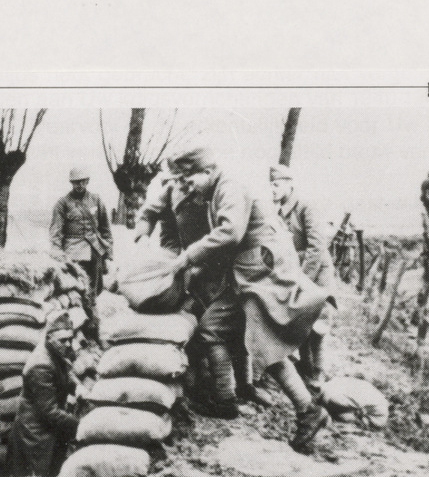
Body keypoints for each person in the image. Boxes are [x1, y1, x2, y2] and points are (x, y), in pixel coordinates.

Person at [136, 148, 331, 452]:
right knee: (219, 329)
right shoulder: (213, 188)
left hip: (261, 271)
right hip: (247, 271)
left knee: (257, 339)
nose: (188, 187)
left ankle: (307, 410)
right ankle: (227, 400)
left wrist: (187, 259)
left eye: (190, 180)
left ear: (207, 171)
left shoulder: (230, 187)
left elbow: (230, 232)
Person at [270, 163, 336, 390]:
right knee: (300, 321)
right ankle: (306, 366)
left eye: (276, 185)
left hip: (316, 272)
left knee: (318, 324)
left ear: (289, 184)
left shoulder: (306, 206)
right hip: (297, 272)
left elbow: (317, 247)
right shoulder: (279, 211)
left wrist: (303, 280)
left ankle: (319, 372)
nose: (272, 189)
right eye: (270, 185)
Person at [6, 313, 80, 477]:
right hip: (35, 438)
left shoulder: (54, 352)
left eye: (70, 339)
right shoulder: (41, 365)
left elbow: (63, 373)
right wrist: (80, 425)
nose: (68, 344)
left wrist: (77, 387)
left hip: (47, 433)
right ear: (49, 338)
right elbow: (49, 412)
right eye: (63, 340)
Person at [49, 167, 113, 338]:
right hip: (73, 252)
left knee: (95, 289)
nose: (80, 185)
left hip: (94, 251)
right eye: (76, 182)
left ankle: (91, 322)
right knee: (78, 291)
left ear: (88, 181)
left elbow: (105, 228)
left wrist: (108, 252)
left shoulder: (96, 200)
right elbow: (56, 231)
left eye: (83, 181)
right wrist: (57, 252)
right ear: (71, 183)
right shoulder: (63, 203)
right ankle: (85, 326)